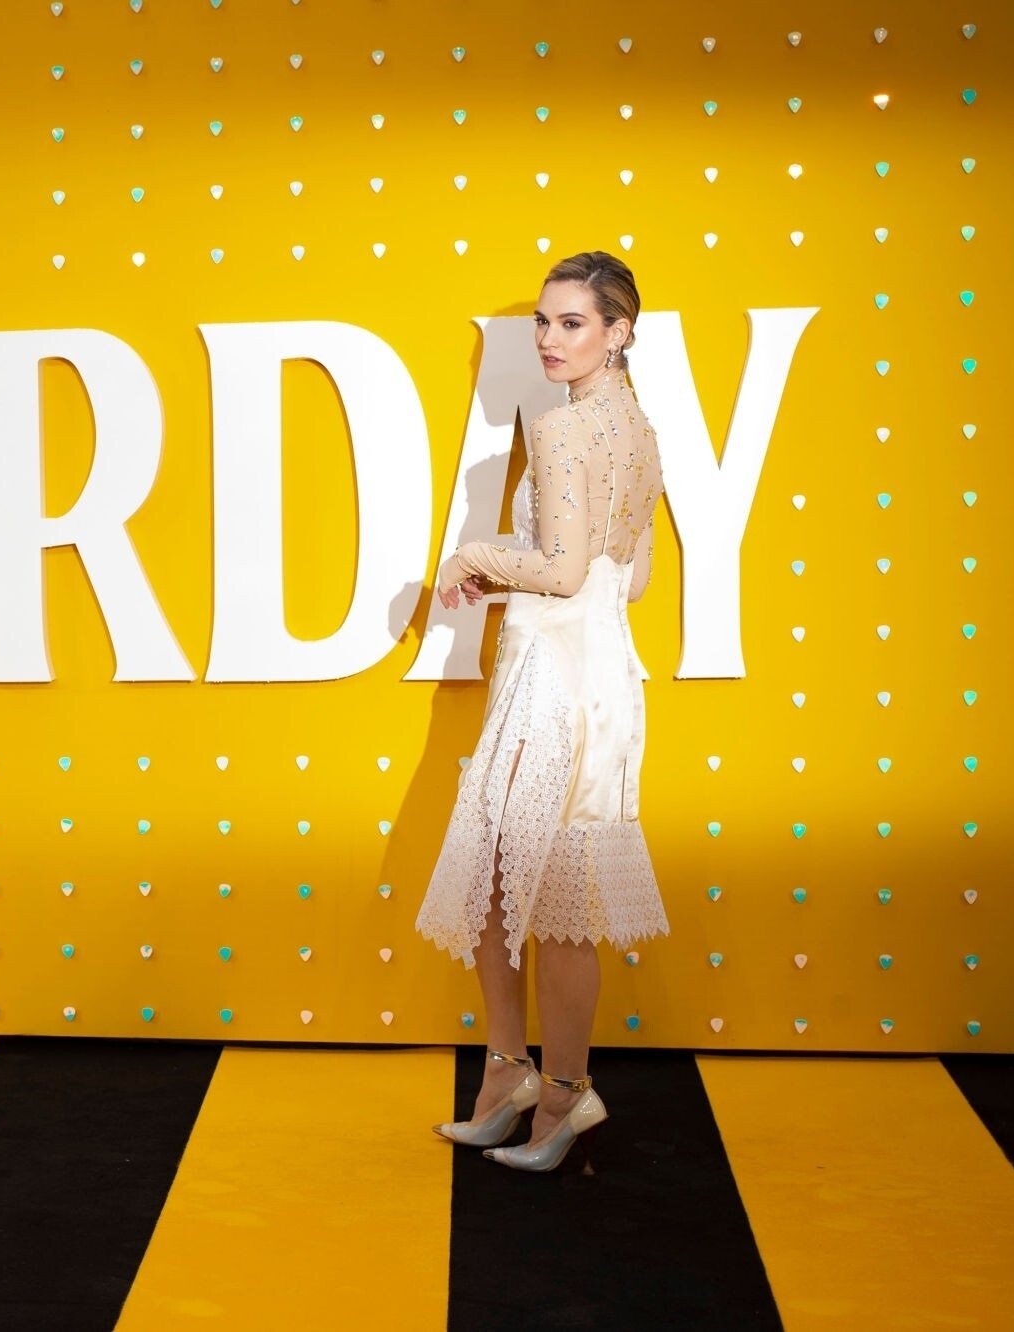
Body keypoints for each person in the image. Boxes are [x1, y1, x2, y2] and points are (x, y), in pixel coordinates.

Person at [413, 251, 671, 1174]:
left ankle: (563, 1093)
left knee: (549, 900)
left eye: (574, 323)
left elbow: (560, 571)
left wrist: (474, 556)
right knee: (499, 880)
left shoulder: (565, 437)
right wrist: (513, 577)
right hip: (592, 668)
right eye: (545, 323)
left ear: (620, 331)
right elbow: (623, 576)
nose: (553, 340)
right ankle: (509, 1078)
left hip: (558, 680)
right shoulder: (636, 430)